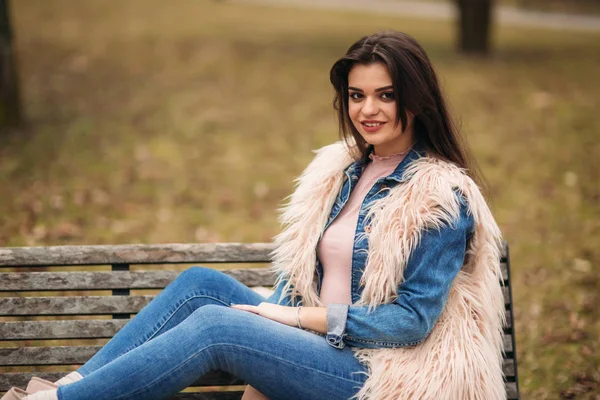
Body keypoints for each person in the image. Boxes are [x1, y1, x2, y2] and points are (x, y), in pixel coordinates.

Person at [3, 30, 506, 400]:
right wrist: (284, 317)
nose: (367, 109)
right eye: (356, 95)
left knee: (218, 329)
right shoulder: (345, 169)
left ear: (415, 100)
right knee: (201, 286)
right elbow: (309, 272)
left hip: (373, 369)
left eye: (385, 95)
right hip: (316, 343)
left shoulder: (440, 195)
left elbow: (410, 322)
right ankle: (74, 386)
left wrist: (292, 318)